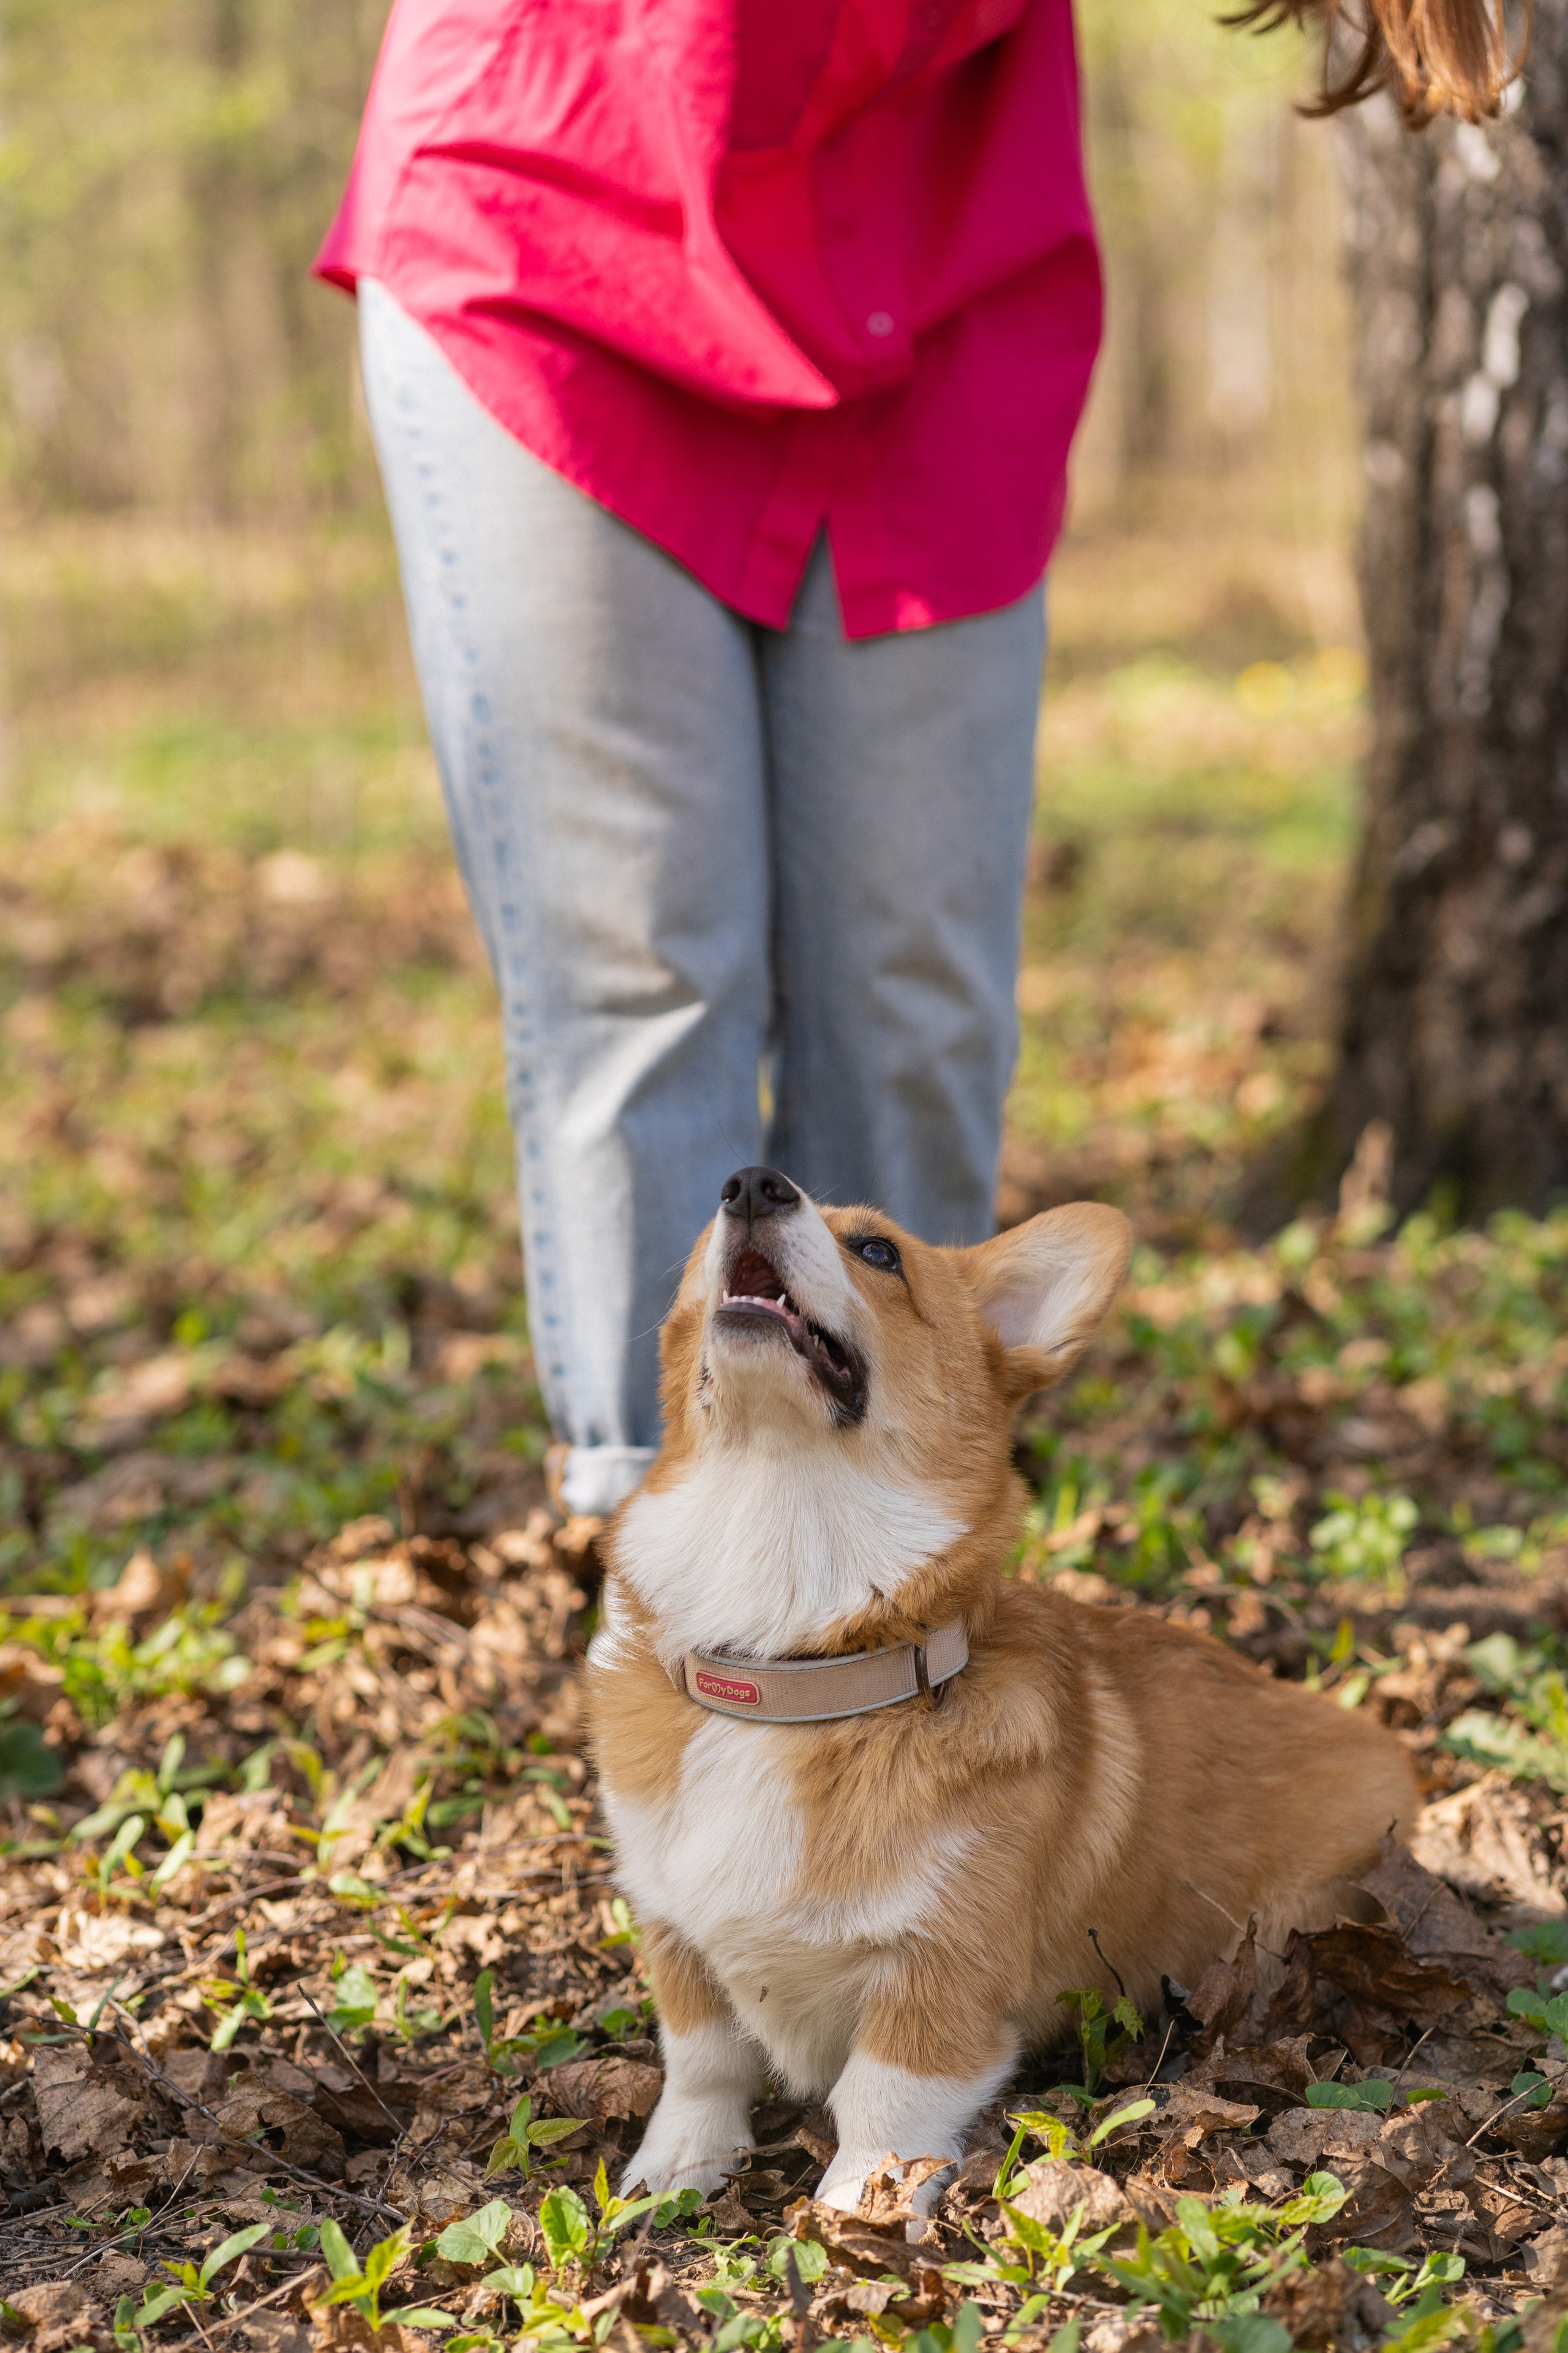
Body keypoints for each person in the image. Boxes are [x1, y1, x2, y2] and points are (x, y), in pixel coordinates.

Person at [317, 0, 1504, 1521]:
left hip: (929, 281)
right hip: (564, 216)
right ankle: (662, 1565)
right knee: (642, 967)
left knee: (913, 999)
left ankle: (880, 1549)